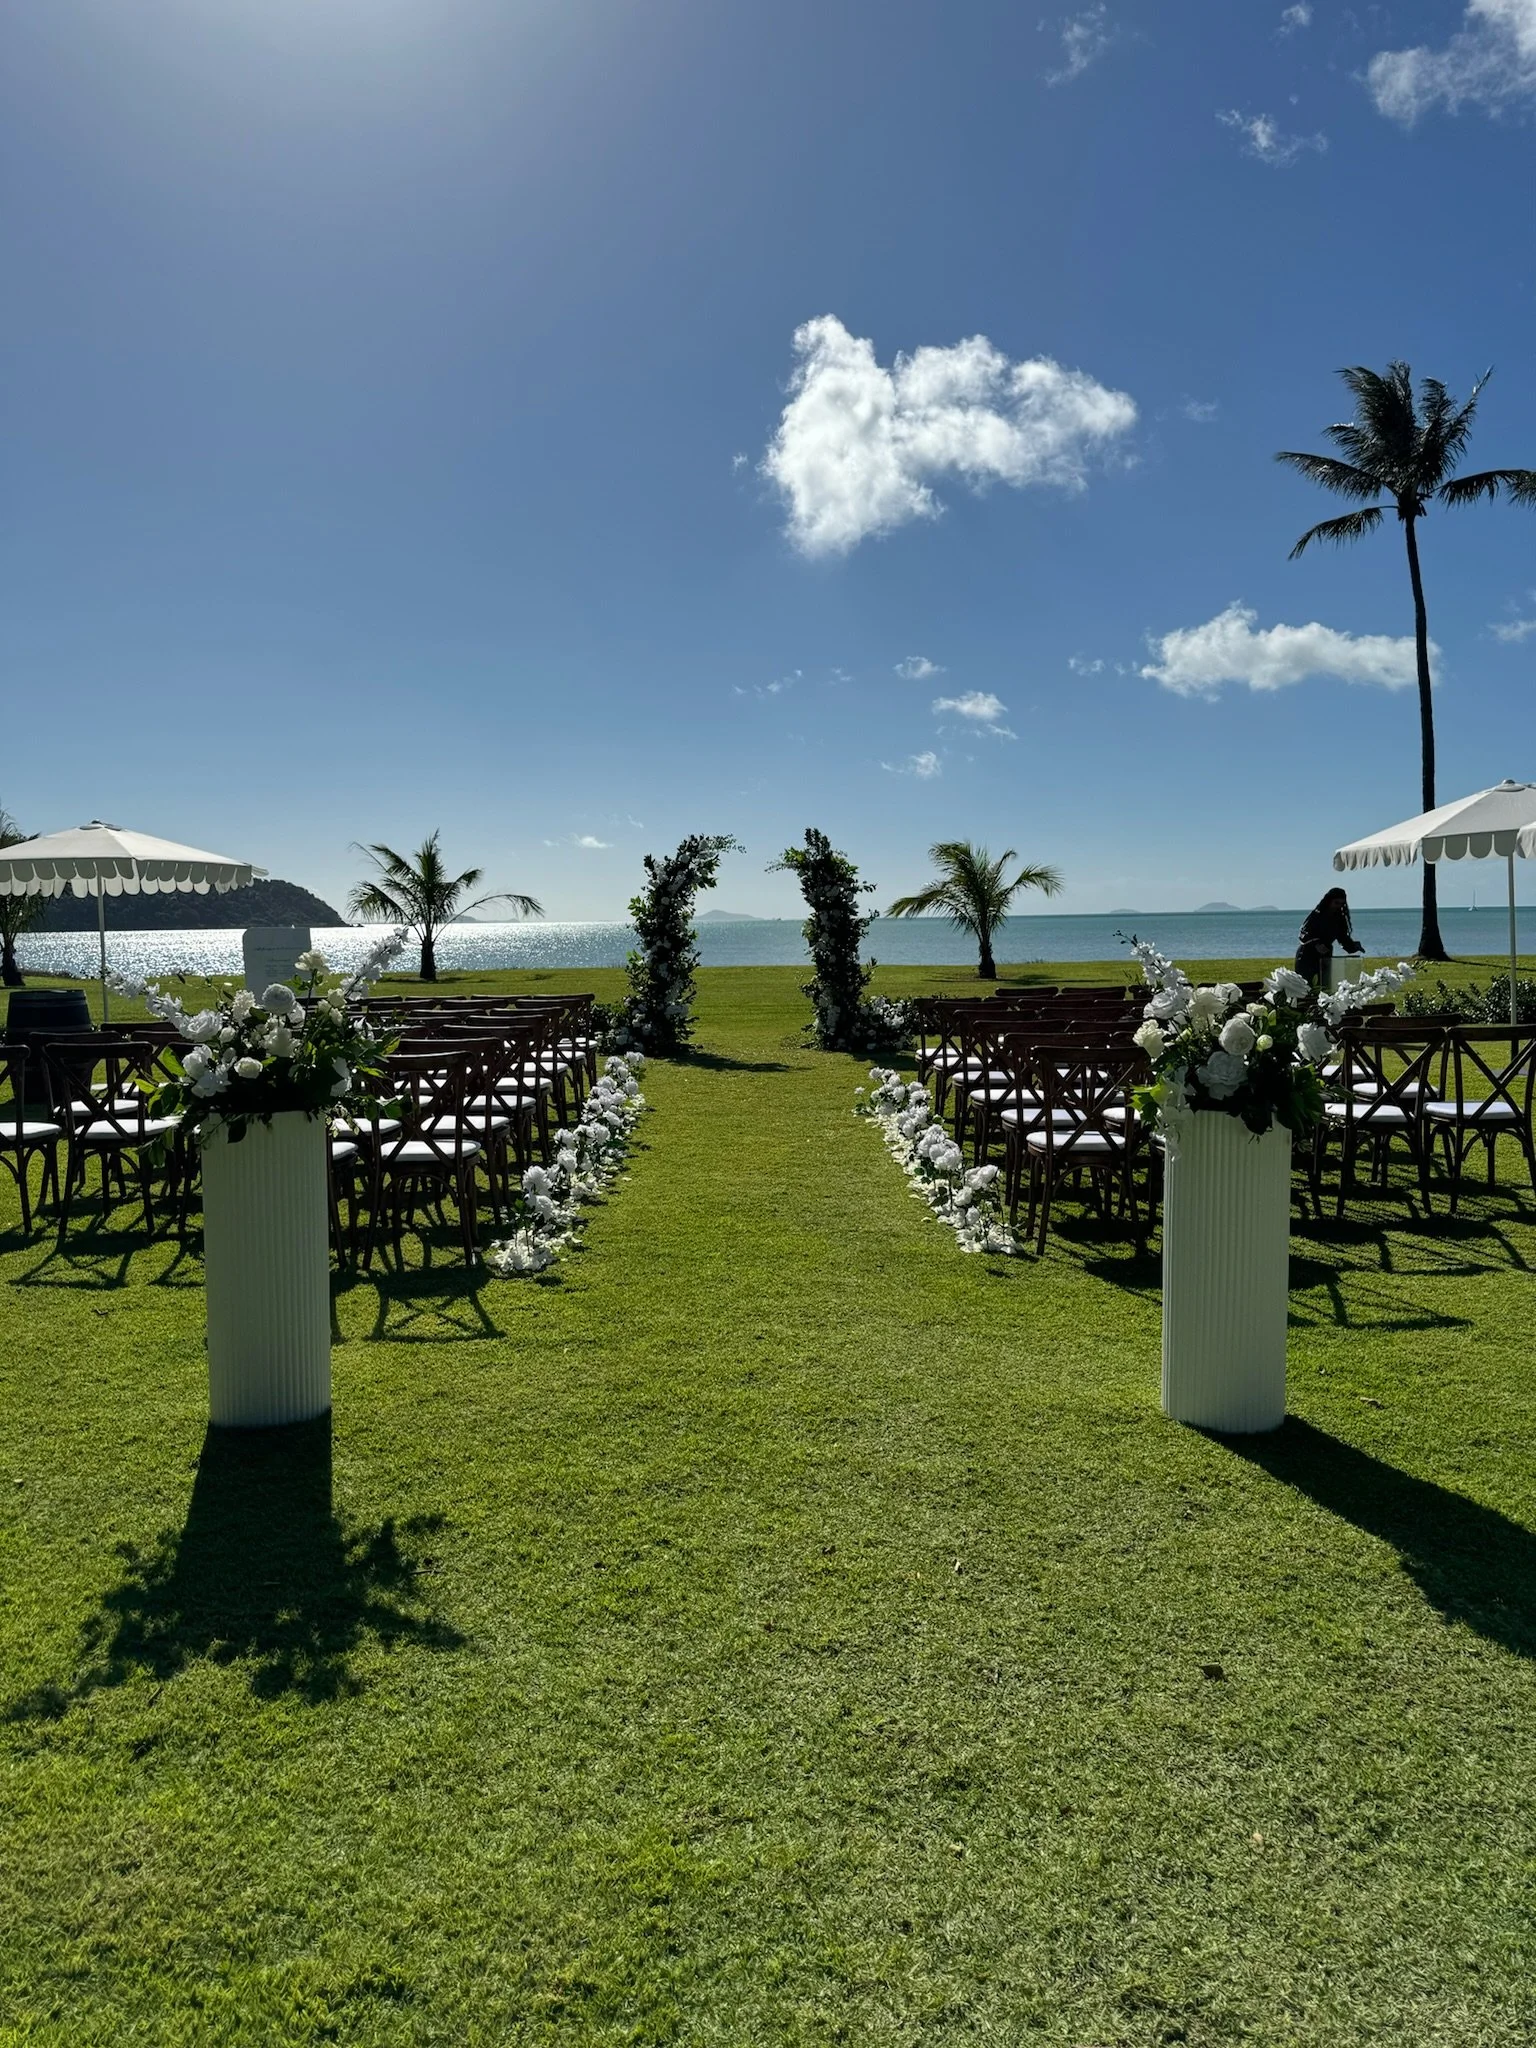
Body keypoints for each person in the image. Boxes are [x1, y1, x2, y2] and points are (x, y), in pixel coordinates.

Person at [1295, 887, 1365, 987]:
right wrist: (1316, 943)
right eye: (1336, 903)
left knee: (1324, 987)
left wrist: (1354, 947)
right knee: (1305, 987)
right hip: (1307, 955)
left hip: (1325, 956)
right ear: (1329, 901)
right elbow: (1303, 934)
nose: (1338, 906)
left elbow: (1343, 939)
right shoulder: (1317, 915)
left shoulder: (1339, 919)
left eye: (1341, 904)